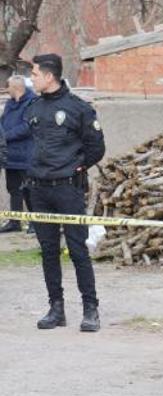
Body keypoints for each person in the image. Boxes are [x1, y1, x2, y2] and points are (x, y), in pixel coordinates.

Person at [25, 54, 105, 332]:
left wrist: (76, 167)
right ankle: (56, 308)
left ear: (49, 76)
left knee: (77, 250)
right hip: (39, 190)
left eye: (34, 74)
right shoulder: (33, 108)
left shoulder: (78, 109)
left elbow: (96, 148)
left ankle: (90, 309)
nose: (31, 78)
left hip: (67, 189)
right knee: (48, 251)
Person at [0, 75, 36, 233]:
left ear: (16, 88)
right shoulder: (9, 104)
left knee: (30, 189)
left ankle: (36, 222)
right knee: (13, 189)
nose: (7, 91)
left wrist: (4, 137)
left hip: (26, 155)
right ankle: (15, 222)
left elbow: (27, 127)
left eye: (8, 88)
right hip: (11, 156)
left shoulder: (32, 102)